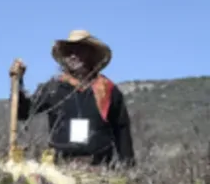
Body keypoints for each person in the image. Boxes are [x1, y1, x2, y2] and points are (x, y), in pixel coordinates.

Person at [10, 29, 135, 168]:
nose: (73, 56)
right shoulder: (53, 88)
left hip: (100, 168)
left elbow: (122, 130)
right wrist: (18, 83)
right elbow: (24, 112)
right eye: (69, 51)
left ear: (91, 54)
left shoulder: (108, 90)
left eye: (79, 50)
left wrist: (127, 165)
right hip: (61, 168)